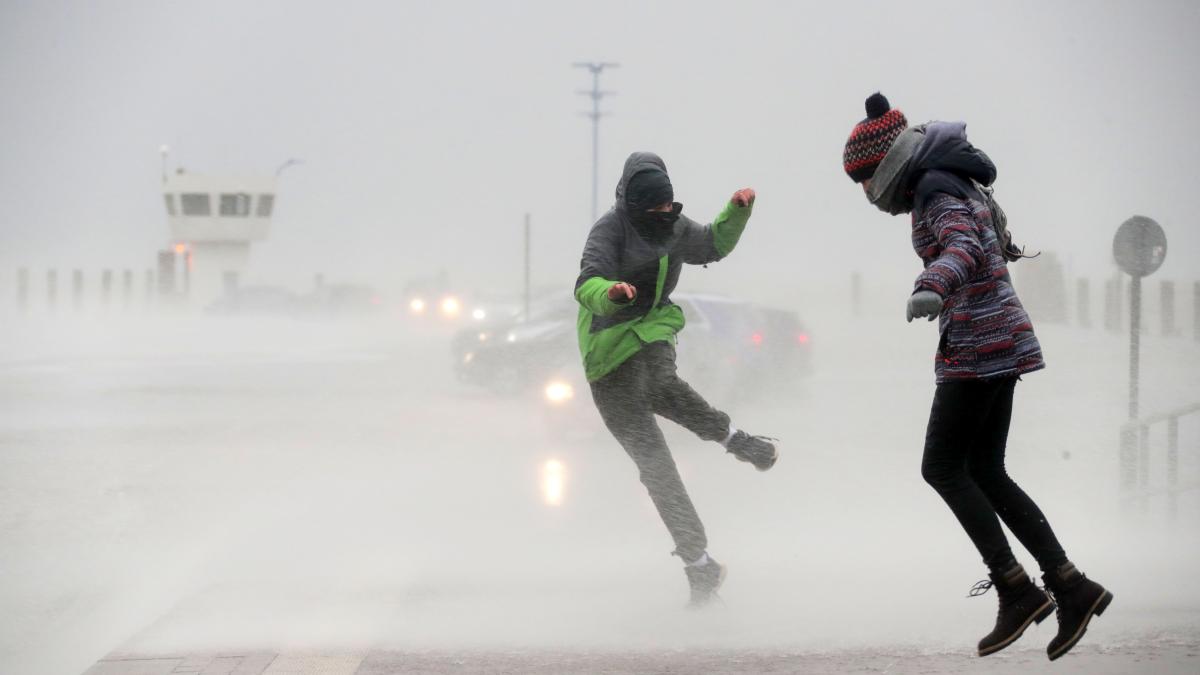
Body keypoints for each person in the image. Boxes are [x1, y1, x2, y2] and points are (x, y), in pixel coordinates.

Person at [842, 93, 1113, 660]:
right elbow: (982, 244)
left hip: (979, 342)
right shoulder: (949, 179)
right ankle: (1069, 584)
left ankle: (1016, 589)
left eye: (865, 181)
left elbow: (964, 246)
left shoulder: (936, 189)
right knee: (985, 468)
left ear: (885, 167)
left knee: (941, 466)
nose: (867, 195)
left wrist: (932, 285)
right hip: (996, 337)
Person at [574, 151, 778, 608]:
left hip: (653, 332)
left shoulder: (676, 227)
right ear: (631, 205)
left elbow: (711, 246)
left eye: (668, 208)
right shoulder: (609, 231)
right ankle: (700, 566)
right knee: (657, 470)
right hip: (607, 355)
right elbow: (585, 285)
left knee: (660, 383)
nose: (663, 217)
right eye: (653, 211)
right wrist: (610, 292)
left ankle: (735, 439)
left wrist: (736, 211)